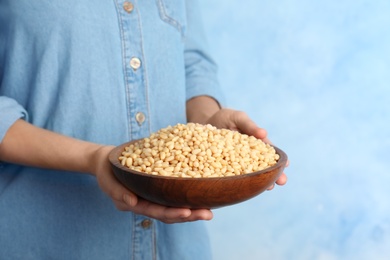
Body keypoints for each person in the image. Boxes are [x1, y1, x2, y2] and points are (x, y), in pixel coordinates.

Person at [0, 1, 287, 259]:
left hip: (176, 246)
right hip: (48, 234)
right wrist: (92, 158)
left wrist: (207, 123)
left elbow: (192, 64)